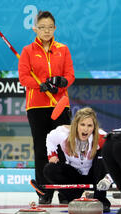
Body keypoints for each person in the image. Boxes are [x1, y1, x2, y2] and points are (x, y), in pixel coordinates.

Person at [18, 10, 75, 204]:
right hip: (37, 107)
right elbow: (24, 77)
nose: (46, 31)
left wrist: (61, 81)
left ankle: (65, 192)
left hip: (60, 105)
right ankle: (44, 192)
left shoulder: (63, 49)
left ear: (55, 28)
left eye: (50, 27)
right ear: (35, 28)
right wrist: (40, 85)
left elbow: (70, 76)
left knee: (63, 148)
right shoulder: (28, 51)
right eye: (42, 27)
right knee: (42, 149)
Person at [43, 107, 111, 212]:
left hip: (94, 175)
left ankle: (100, 199)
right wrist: (52, 155)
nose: (85, 129)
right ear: (76, 125)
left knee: (103, 154)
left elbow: (116, 160)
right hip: (74, 174)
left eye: (89, 125)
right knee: (49, 169)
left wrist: (108, 179)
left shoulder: (102, 136)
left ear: (94, 127)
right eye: (82, 125)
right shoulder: (63, 133)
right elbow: (50, 138)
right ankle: (76, 198)